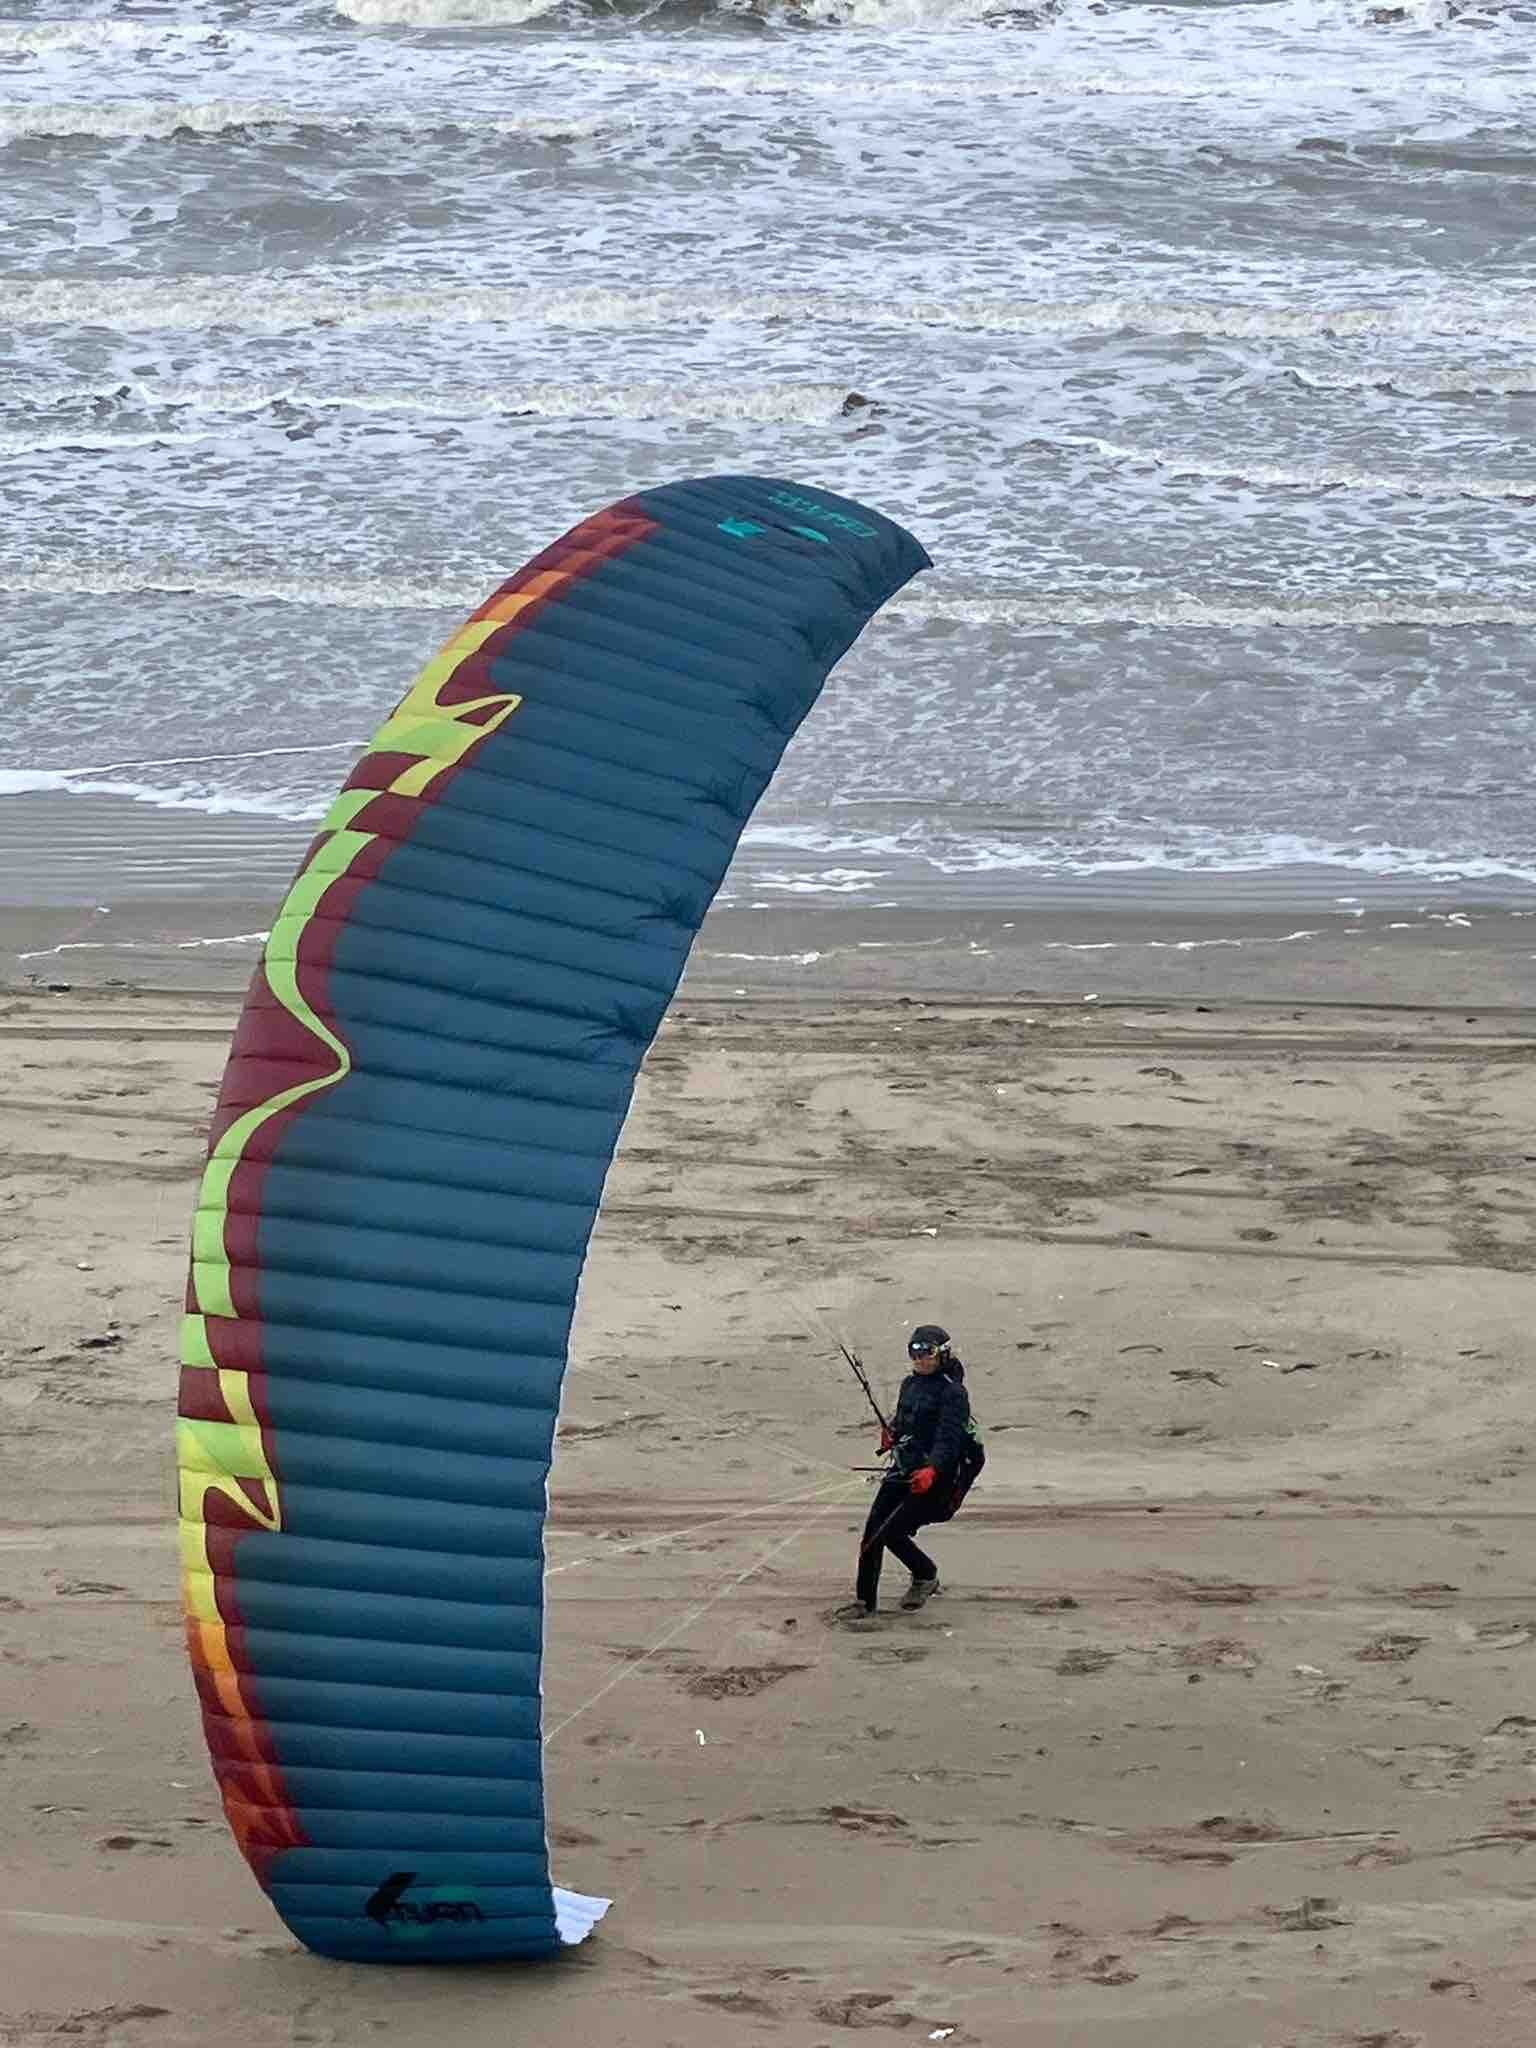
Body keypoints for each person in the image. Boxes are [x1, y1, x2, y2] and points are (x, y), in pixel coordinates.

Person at [837, 1323, 985, 1621]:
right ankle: (865, 1603)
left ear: (942, 1353)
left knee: (892, 1531)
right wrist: (891, 1433)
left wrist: (932, 1469)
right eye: (913, 1352)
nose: (919, 1359)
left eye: (926, 1352)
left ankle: (925, 1574)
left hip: (937, 1478)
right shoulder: (909, 1384)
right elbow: (905, 1423)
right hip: (904, 1466)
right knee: (872, 1533)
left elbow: (949, 1439)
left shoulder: (954, 1393)